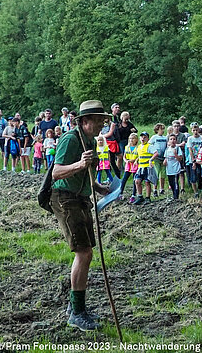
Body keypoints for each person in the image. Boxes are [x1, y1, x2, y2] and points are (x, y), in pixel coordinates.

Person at [50, 100, 111, 331]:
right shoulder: (70, 139)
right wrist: (79, 164)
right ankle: (76, 312)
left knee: (87, 252)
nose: (102, 125)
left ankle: (76, 306)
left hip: (81, 197)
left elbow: (85, 170)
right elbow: (56, 172)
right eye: (98, 120)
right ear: (84, 121)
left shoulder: (91, 141)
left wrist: (96, 186)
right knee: (83, 253)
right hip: (65, 198)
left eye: (103, 120)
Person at [133, 132, 158, 205]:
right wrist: (136, 160)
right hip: (141, 167)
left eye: (145, 137)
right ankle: (140, 196)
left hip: (148, 167)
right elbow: (140, 155)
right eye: (142, 137)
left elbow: (156, 153)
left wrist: (151, 160)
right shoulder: (139, 147)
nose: (143, 139)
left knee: (147, 182)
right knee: (137, 181)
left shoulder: (149, 146)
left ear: (148, 139)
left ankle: (148, 197)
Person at [149, 123, 168, 196]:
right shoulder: (154, 137)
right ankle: (155, 189)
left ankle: (162, 189)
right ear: (157, 130)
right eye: (161, 129)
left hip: (163, 157)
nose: (163, 131)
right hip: (156, 158)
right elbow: (150, 145)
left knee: (162, 174)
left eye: (163, 129)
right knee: (156, 173)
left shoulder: (165, 138)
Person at [164, 134, 183, 200]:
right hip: (169, 169)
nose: (172, 141)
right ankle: (173, 195)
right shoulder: (167, 149)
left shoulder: (177, 148)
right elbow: (166, 158)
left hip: (176, 169)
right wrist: (165, 162)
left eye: (174, 139)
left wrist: (175, 154)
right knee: (171, 183)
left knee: (175, 183)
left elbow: (180, 159)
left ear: (176, 141)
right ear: (168, 141)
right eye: (171, 139)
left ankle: (176, 197)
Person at [121, 133, 139, 202]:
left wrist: (133, 160)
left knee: (135, 180)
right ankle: (120, 193)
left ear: (136, 140)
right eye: (130, 138)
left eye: (133, 138)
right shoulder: (127, 147)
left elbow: (138, 156)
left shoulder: (138, 148)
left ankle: (133, 195)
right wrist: (126, 161)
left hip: (134, 165)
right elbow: (124, 156)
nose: (131, 140)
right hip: (128, 165)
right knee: (124, 179)